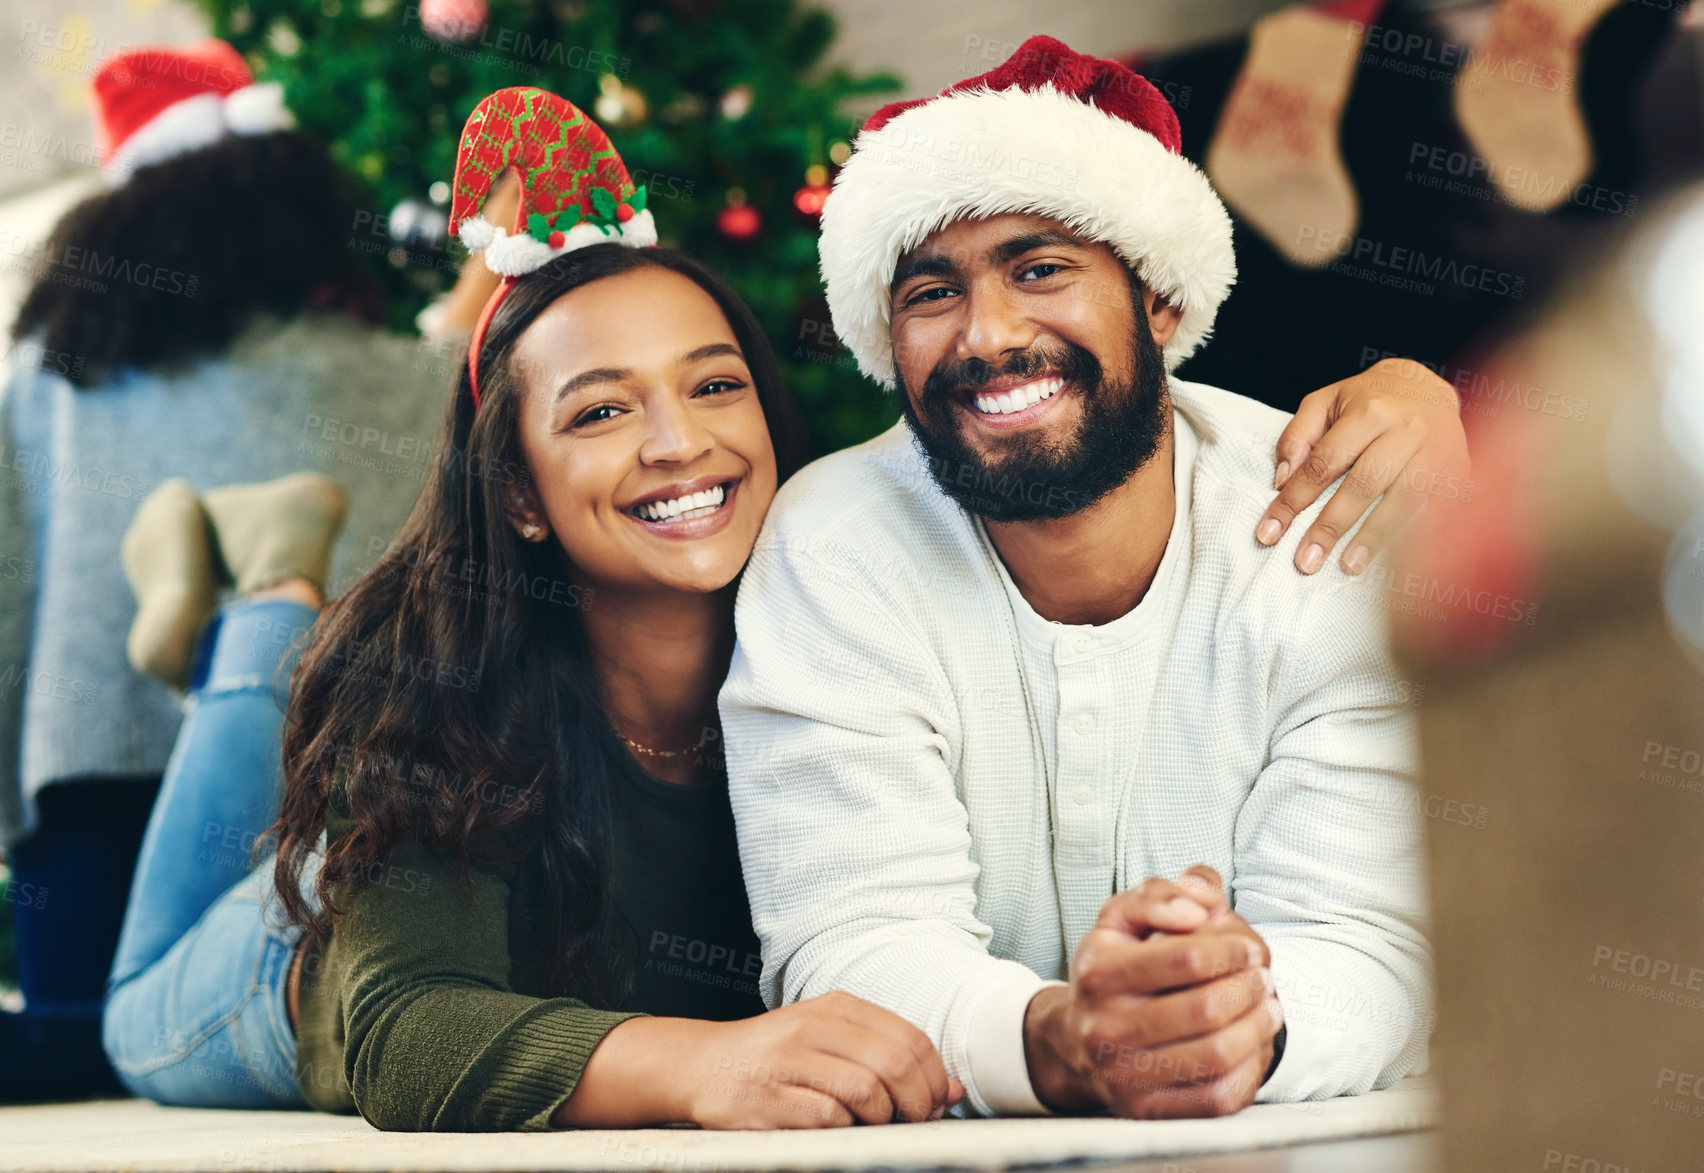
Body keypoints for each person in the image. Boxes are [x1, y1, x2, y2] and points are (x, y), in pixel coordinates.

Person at [99, 88, 962, 1132]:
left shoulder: (859, 641)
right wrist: (706, 1065)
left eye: (714, 385)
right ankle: (266, 609)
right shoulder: (436, 681)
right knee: (129, 1013)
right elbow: (403, 1031)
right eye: (601, 409)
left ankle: (276, 594)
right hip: (298, 953)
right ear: (516, 492)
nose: (680, 442)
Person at [721, 35, 1436, 1121]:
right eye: (929, 292)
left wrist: (1237, 1024)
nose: (990, 335)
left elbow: (1371, 942)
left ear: (1156, 297)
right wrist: (1065, 1043)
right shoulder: (834, 546)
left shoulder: (1326, 518)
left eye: (1039, 268)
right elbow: (852, 939)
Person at [0, 40, 441, 1101]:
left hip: (94, 769)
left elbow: (10, 599)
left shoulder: (55, 387)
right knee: (234, 1019)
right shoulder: (405, 382)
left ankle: (223, 604)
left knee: (85, 1037)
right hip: (324, 783)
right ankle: (271, 601)